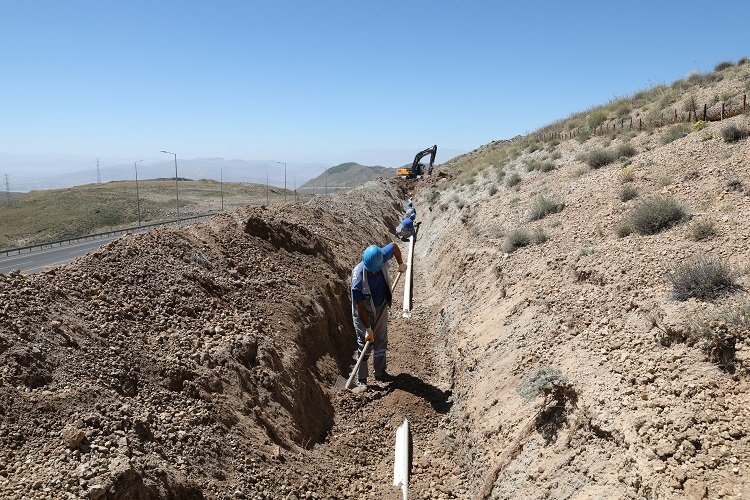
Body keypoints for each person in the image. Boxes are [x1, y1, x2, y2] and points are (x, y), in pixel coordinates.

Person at [351, 243, 406, 387]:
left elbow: (394, 246)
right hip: (364, 312)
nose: (374, 273)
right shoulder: (357, 281)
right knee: (364, 345)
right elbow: (360, 307)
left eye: (376, 270)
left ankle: (380, 372)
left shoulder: (378, 256)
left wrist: (401, 264)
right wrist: (368, 329)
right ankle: (361, 379)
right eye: (372, 272)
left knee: (381, 341)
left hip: (380, 306)